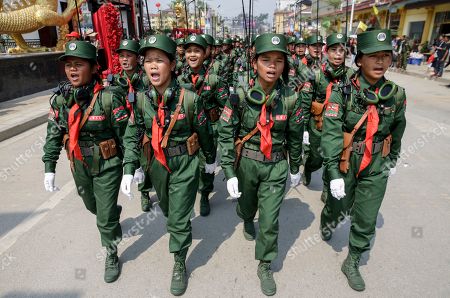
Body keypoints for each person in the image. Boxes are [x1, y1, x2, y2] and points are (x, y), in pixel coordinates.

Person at [120, 34, 216, 295]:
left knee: (178, 217)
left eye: (159, 60)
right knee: (167, 208)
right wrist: (130, 168)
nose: (152, 66)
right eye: (148, 60)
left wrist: (210, 159)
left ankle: (178, 260)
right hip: (156, 165)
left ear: (172, 64)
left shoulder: (189, 100)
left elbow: (205, 132)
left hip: (185, 163)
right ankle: (179, 225)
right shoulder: (140, 100)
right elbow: (132, 134)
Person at [319, 29, 406, 291]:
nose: (380, 62)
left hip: (377, 162)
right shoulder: (341, 91)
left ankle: (353, 259)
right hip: (347, 158)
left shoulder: (397, 94)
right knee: (339, 208)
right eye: (373, 56)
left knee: (366, 217)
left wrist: (393, 159)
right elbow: (332, 133)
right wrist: (333, 172)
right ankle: (328, 217)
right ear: (359, 60)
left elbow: (398, 129)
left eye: (385, 56)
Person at [218, 33, 304, 296]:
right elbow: (225, 132)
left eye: (278, 61)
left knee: (269, 220)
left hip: (276, 165)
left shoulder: (291, 98)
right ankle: (245, 217)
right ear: (255, 62)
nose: (272, 66)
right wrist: (229, 171)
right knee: (247, 206)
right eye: (266, 59)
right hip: (247, 163)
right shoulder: (240, 94)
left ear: (285, 66)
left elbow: (295, 135)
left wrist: (295, 166)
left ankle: (265, 263)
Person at [42, 41, 129, 283]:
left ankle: (111, 253)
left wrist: (134, 167)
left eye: (78, 64)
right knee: (93, 206)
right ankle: (110, 212)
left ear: (93, 67)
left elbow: (126, 136)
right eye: (68, 65)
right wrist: (49, 168)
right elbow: (53, 135)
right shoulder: (61, 100)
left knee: (104, 218)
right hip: (79, 164)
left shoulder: (109, 98)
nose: (72, 70)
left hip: (108, 165)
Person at [178, 35, 229, 216]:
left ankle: (205, 194)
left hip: (210, 128)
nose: (192, 55)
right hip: (187, 130)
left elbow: (226, 108)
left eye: (197, 51)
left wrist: (226, 130)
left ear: (204, 53)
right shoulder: (178, 79)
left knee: (206, 163)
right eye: (189, 51)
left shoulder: (214, 79)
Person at [301, 33, 355, 202]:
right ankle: (308, 168)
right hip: (318, 125)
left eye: (342, 50)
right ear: (326, 51)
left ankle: (326, 188)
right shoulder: (315, 73)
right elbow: (304, 102)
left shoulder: (351, 75)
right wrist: (303, 129)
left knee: (333, 159)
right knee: (316, 158)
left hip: (339, 127)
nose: (338, 54)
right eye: (333, 50)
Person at [109, 39, 153, 212]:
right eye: (121, 56)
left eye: (129, 56)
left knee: (146, 159)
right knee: (133, 161)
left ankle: (144, 191)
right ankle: (143, 188)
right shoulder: (115, 81)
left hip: (143, 126)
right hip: (123, 128)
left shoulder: (147, 79)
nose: (124, 60)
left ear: (138, 58)